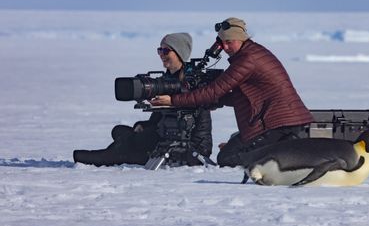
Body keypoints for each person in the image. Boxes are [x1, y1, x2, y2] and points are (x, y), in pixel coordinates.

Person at [151, 18, 314, 167]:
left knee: (227, 159)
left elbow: (214, 91)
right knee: (230, 152)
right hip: (278, 122)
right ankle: (275, 149)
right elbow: (241, 96)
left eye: (229, 42)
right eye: (222, 43)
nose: (226, 48)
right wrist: (214, 101)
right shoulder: (252, 52)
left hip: (278, 124)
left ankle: (284, 154)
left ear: (241, 39)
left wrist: (174, 100)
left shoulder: (247, 59)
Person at [73, 33, 213, 167]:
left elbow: (198, 122)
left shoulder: (193, 82)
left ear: (179, 53)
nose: (161, 55)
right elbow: (159, 120)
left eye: (165, 50)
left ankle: (105, 156)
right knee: (119, 131)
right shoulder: (166, 80)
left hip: (188, 146)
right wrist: (144, 125)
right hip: (164, 136)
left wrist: (172, 101)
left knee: (131, 143)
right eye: (159, 50)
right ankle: (117, 152)